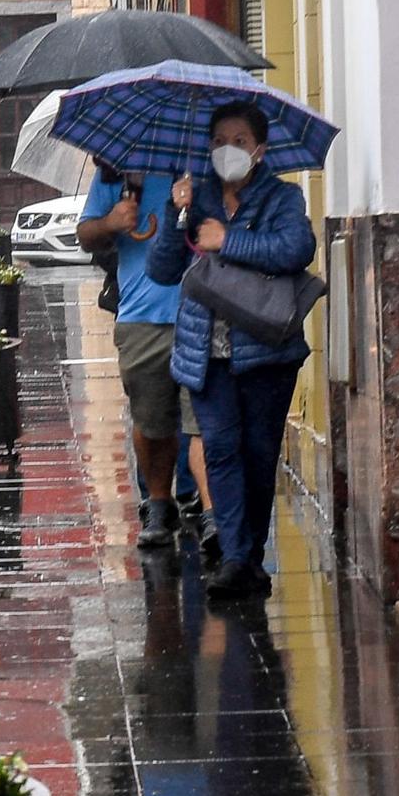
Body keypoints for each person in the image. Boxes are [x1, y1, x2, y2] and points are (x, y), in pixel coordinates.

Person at [146, 102, 316, 597]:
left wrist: (229, 239)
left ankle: (250, 552)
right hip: (206, 351)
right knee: (219, 448)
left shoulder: (283, 199)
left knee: (258, 453)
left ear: (259, 151)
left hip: (265, 348)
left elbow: (295, 250)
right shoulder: (194, 199)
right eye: (219, 140)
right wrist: (177, 214)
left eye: (239, 141)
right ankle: (237, 558)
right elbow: (161, 270)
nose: (228, 150)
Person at [77, 162, 214, 551]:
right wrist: (110, 223)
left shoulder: (207, 165)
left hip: (205, 312)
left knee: (204, 422)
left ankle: (210, 511)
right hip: (141, 316)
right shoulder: (118, 174)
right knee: (151, 420)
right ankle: (157, 503)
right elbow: (85, 234)